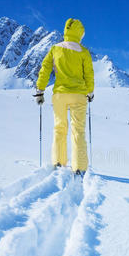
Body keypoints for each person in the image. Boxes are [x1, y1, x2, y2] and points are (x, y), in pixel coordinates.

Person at [35, 18, 94, 176]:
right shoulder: (84, 52)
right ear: (80, 33)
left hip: (60, 95)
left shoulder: (55, 48)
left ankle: (58, 162)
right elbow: (88, 74)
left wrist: (40, 90)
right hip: (79, 95)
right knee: (78, 131)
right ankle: (79, 167)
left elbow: (45, 69)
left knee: (59, 128)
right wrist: (90, 92)